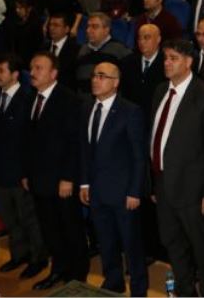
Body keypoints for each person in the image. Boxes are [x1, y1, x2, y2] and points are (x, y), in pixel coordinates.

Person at [150, 39, 204, 297]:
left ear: (189, 62)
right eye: (165, 58)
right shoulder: (160, 91)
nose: (167, 63)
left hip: (194, 191)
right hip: (164, 185)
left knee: (202, 250)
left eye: (173, 58)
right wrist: (154, 183)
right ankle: (185, 292)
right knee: (172, 244)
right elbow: (157, 138)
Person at [78, 62, 148, 296]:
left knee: (132, 246)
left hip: (123, 193)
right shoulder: (87, 107)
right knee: (106, 242)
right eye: (94, 75)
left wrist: (134, 191)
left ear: (115, 82)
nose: (95, 80)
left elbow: (139, 157)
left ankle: (138, 289)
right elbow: (85, 150)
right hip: (97, 191)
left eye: (102, 76)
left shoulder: (130, 111)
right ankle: (113, 281)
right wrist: (84, 183)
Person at [24, 51, 89, 290]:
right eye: (32, 67)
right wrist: (26, 174)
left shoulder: (68, 100)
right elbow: (28, 140)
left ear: (53, 74)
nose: (32, 73)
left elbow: (74, 142)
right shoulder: (32, 97)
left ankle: (77, 276)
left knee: (70, 228)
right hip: (39, 179)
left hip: (62, 180)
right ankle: (58, 269)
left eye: (39, 68)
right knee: (49, 229)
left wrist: (68, 178)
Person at [0, 53, 48, 279]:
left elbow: (31, 139)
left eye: (1, 71)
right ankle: (19, 254)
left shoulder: (27, 99)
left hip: (20, 172)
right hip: (0, 170)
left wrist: (27, 172)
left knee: (28, 218)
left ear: (14, 74)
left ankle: (38, 258)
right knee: (10, 218)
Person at [75, 13, 131, 94]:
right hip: (83, 99)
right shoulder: (81, 50)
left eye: (94, 26)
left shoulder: (120, 50)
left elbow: (128, 81)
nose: (88, 30)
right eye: (88, 26)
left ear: (106, 30)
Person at [41, 13, 79, 90]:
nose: (51, 28)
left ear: (67, 29)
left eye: (56, 25)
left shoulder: (75, 49)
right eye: (50, 25)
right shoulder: (43, 47)